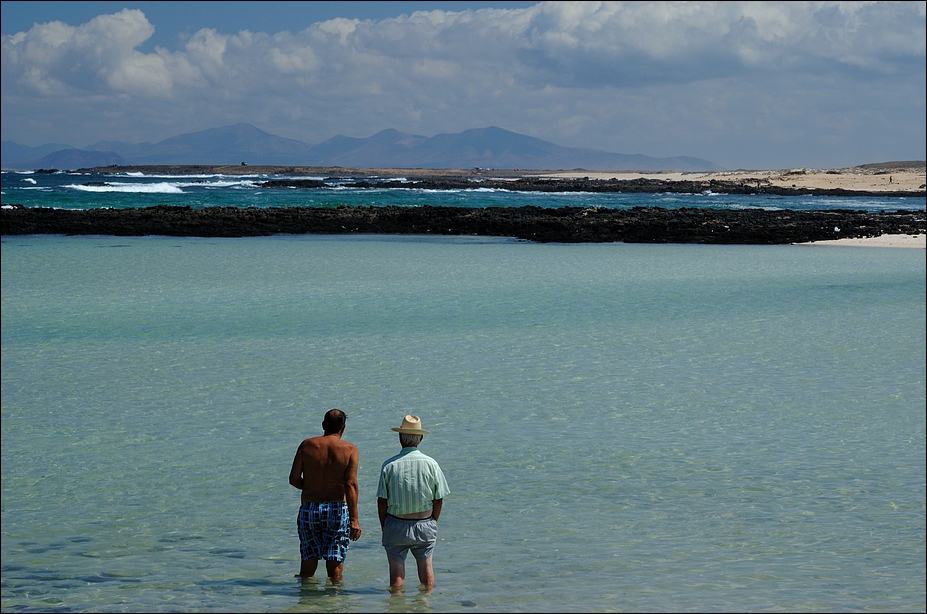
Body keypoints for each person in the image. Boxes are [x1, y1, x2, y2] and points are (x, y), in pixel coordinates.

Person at [377, 415, 450, 589]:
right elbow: (439, 498)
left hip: (395, 523)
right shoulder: (432, 464)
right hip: (425, 523)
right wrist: (433, 520)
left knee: (396, 576)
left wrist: (385, 526)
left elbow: (382, 501)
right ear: (421, 438)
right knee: (427, 575)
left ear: (400, 437)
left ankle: (396, 606)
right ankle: (425, 605)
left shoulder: (389, 465)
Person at [289, 408, 362, 582]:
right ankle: (334, 603)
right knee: (335, 563)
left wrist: (311, 487)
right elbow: (350, 484)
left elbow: (293, 479)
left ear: (323, 425)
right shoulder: (350, 449)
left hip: (309, 508)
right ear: (343, 427)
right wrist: (354, 519)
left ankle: (306, 601)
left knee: (308, 559)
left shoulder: (307, 445)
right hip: (337, 509)